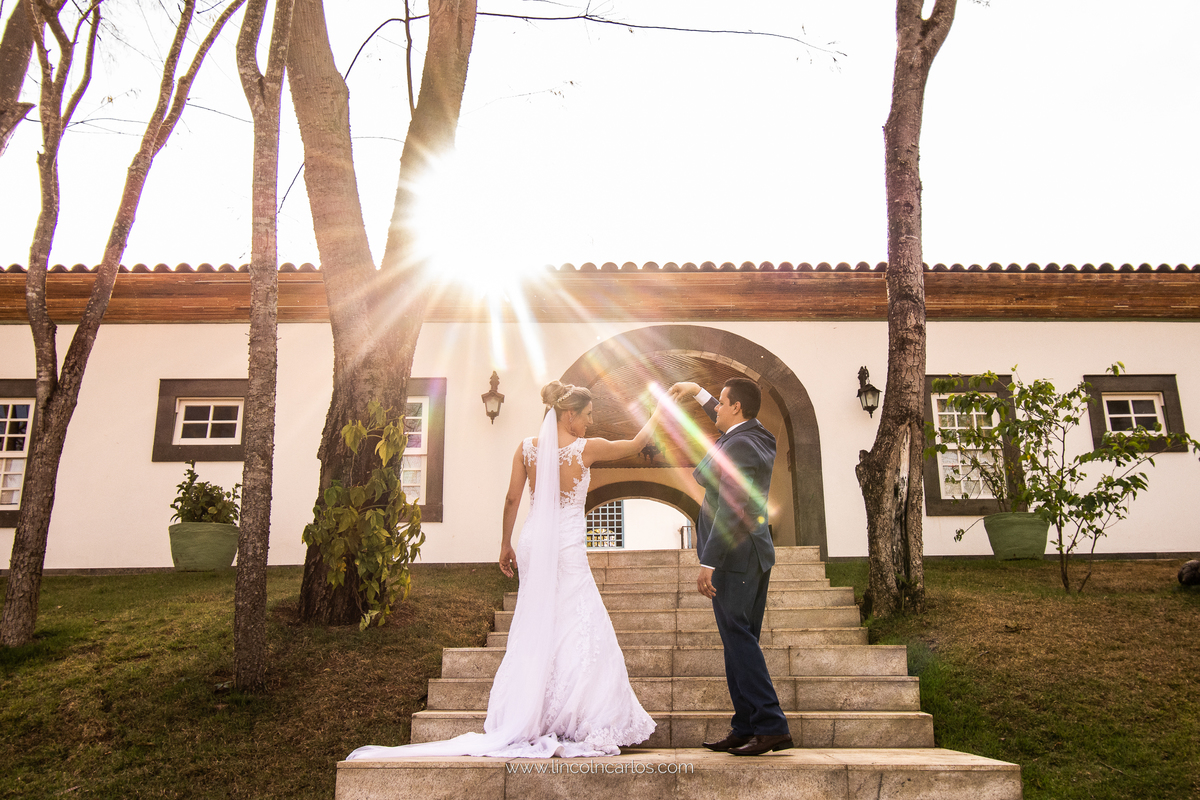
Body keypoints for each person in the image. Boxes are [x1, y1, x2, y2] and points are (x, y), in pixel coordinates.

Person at [347, 381, 661, 760]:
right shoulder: (585, 449)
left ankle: (532, 710)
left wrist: (505, 543)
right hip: (564, 547)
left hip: (531, 542)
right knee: (580, 620)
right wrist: (664, 408)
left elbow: (513, 497)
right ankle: (579, 712)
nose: (591, 423)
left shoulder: (526, 448)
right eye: (588, 415)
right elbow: (636, 444)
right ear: (569, 415)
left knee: (536, 621)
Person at [668, 378, 792, 756]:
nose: (716, 409)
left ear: (736, 407)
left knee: (738, 638)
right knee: (739, 641)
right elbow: (728, 420)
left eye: (721, 403)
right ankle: (745, 726)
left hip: (734, 557)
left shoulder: (739, 444)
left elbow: (731, 506)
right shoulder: (755, 436)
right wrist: (699, 392)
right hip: (749, 554)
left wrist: (708, 560)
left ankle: (771, 725)